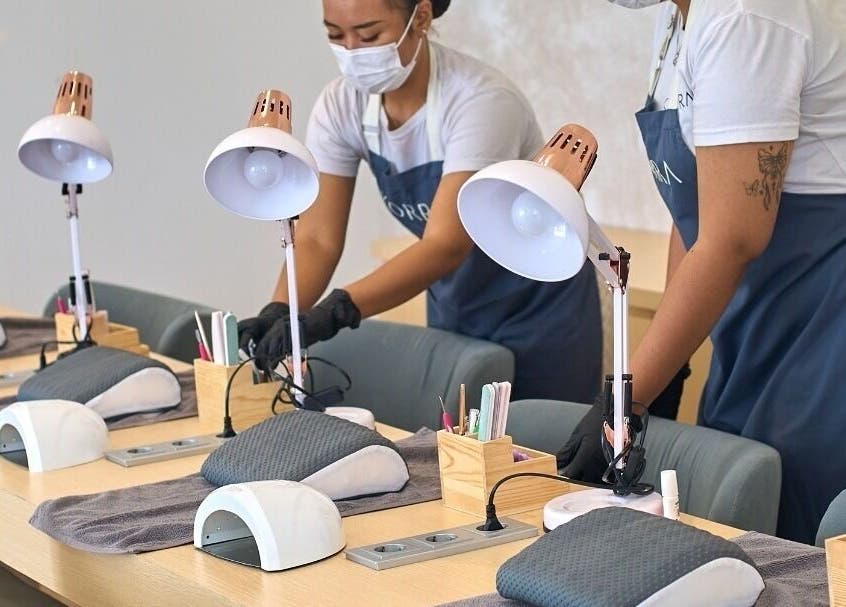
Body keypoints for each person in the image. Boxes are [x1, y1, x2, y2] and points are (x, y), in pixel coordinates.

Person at [558, 0, 846, 544]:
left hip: (824, 325)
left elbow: (730, 240)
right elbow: (691, 210)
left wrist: (625, 400)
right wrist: (670, 368)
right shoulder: (680, 21)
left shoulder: (746, 17)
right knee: (733, 520)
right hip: (752, 321)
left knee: (794, 538)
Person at [237, 0, 603, 404]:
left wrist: (335, 313)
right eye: (336, 35)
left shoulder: (481, 101)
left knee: (538, 436)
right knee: (458, 434)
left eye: (369, 35)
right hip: (457, 298)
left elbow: (445, 244)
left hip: (540, 308)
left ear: (421, 18)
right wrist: (281, 309)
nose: (352, 51)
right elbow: (318, 238)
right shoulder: (341, 106)